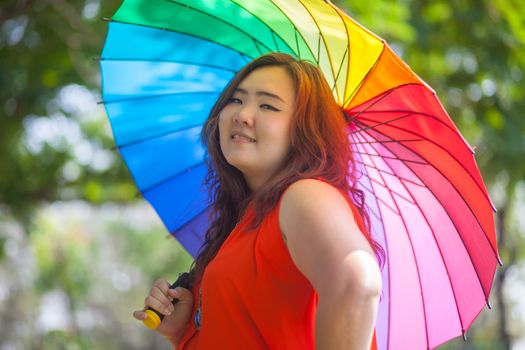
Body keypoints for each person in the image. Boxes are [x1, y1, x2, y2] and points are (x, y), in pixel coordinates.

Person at [133, 52, 384, 350]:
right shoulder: (247, 218)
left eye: (268, 105)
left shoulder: (305, 196)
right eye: (236, 100)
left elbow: (357, 284)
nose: (242, 115)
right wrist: (185, 330)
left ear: (304, 129)